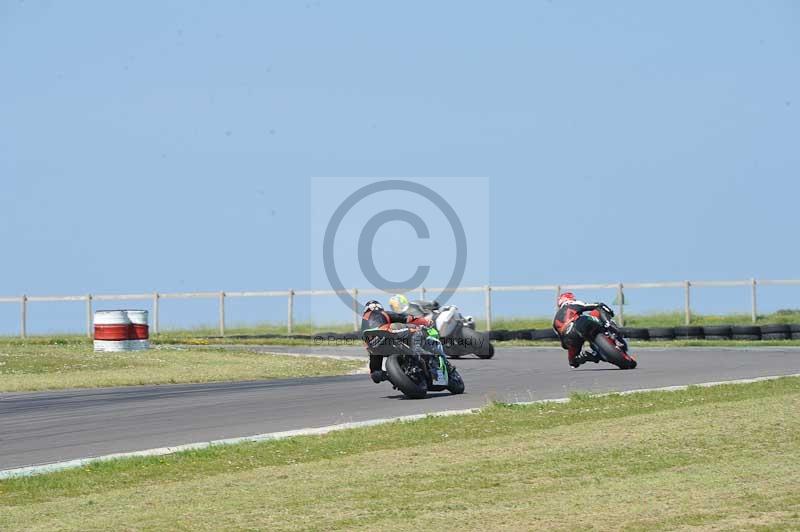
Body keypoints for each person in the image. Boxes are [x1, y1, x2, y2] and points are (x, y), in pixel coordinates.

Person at [361, 299, 432, 383]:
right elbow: (407, 318)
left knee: (376, 374)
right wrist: (425, 321)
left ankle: (395, 375)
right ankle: (418, 350)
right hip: (385, 333)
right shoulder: (382, 313)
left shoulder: (363, 322)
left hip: (372, 346)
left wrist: (392, 375)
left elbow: (375, 377)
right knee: (416, 330)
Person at [552, 292, 612, 368]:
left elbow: (564, 345)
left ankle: (589, 357)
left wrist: (570, 345)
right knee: (599, 309)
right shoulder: (572, 303)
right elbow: (595, 306)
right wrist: (608, 311)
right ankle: (608, 325)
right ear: (569, 298)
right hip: (580, 324)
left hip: (569, 338)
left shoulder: (555, 319)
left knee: (573, 363)